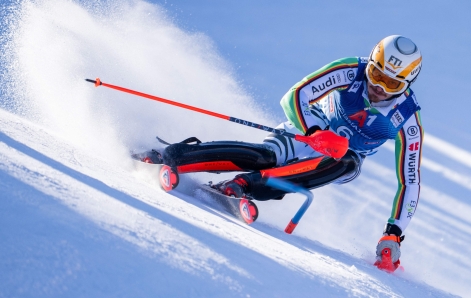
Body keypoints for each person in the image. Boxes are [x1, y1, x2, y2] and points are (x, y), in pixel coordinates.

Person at [139, 35, 423, 271]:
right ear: (370, 63)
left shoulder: (407, 119)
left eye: (392, 84)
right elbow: (295, 95)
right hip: (312, 127)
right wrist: (314, 132)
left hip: (341, 156)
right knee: (268, 157)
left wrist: (393, 233)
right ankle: (173, 155)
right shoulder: (351, 71)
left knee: (347, 163)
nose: (378, 88)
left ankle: (243, 185)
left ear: (406, 85)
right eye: (375, 74)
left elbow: (409, 180)